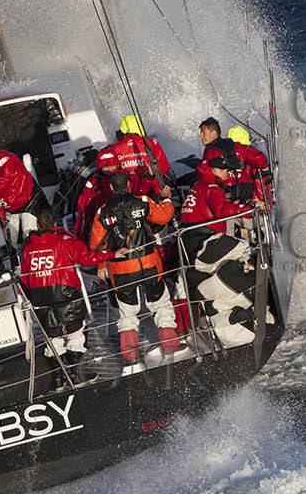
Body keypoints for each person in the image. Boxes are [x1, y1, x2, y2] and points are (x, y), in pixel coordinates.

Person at [89, 173, 179, 364]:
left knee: (127, 314)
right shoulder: (143, 201)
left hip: (121, 270)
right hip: (149, 264)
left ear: (112, 188)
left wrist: (101, 264)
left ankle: (130, 358)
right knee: (161, 303)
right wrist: (166, 199)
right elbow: (164, 216)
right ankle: (170, 344)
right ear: (129, 185)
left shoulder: (102, 212)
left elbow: (96, 244)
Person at [19, 206, 106, 361]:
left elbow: (24, 279)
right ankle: (77, 372)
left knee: (53, 342)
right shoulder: (65, 241)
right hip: (68, 299)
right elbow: (87, 259)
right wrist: (110, 254)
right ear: (55, 224)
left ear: (38, 226)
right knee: (76, 336)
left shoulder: (28, 247)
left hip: (42, 303)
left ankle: (59, 377)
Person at [95, 114, 172, 199]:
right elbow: (164, 168)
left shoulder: (114, 148)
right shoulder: (151, 143)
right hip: (153, 192)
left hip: (123, 195)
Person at [179, 148, 248, 237]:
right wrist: (247, 209)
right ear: (210, 168)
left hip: (191, 236)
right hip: (205, 237)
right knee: (244, 248)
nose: (225, 172)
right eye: (221, 169)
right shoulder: (211, 187)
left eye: (226, 169)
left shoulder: (199, 184)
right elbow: (223, 210)